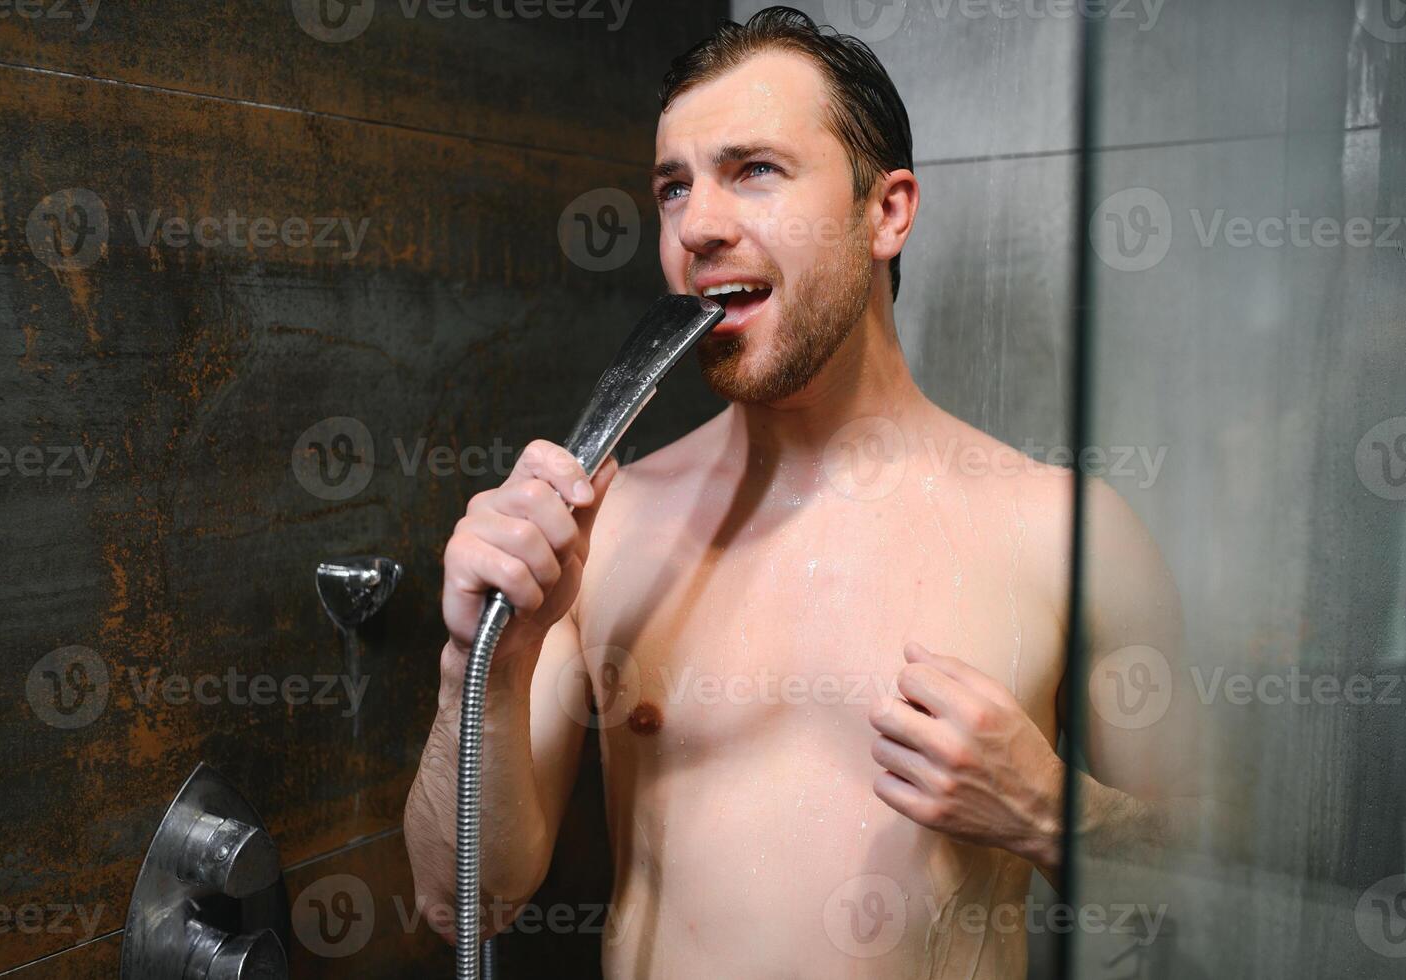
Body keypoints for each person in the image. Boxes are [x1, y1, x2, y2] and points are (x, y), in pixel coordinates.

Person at [405, 7, 1196, 976]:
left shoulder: (1066, 532)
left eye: (755, 171)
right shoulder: (608, 529)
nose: (698, 224)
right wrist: (480, 663)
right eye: (674, 187)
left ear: (887, 211)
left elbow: (1220, 891)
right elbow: (459, 900)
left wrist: (1050, 812)